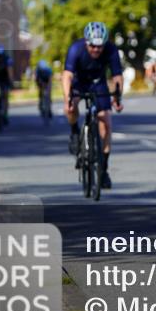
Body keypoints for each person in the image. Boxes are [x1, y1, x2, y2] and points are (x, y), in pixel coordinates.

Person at [62, 22, 124, 189]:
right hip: (78, 82)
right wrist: (68, 98)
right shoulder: (76, 49)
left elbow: (117, 76)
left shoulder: (111, 49)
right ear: (86, 42)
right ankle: (75, 132)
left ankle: (103, 170)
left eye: (100, 46)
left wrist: (118, 98)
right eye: (93, 46)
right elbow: (67, 76)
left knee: (106, 122)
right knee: (70, 106)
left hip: (98, 83)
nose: (96, 50)